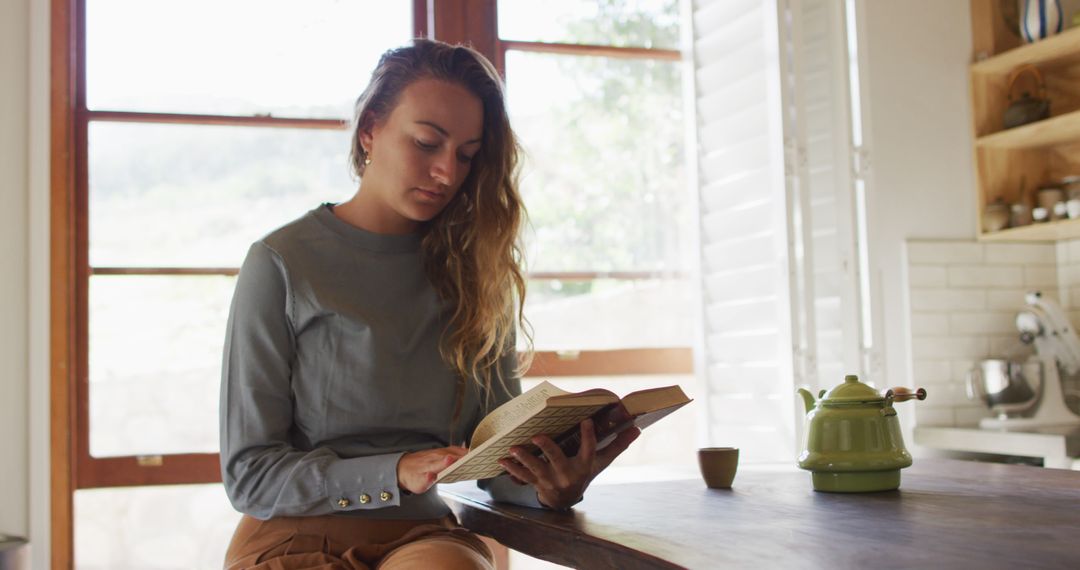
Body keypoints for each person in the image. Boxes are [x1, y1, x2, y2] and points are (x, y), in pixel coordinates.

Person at [219, 39, 641, 570]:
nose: (447, 171)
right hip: (293, 535)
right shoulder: (280, 263)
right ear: (370, 128)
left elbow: (495, 464)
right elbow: (250, 474)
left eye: (466, 155)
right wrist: (393, 471)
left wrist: (552, 488)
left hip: (425, 535)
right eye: (426, 142)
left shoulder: (479, 276)